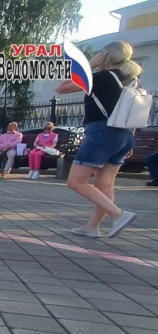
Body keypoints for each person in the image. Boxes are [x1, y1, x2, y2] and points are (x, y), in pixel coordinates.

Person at [56, 40, 142, 238]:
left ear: (105, 57)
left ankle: (119, 215)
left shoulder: (101, 77)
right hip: (124, 135)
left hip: (102, 133)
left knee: (76, 181)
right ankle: (92, 227)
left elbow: (61, 88)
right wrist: (129, 139)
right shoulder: (130, 80)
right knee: (105, 185)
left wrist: (89, 64)